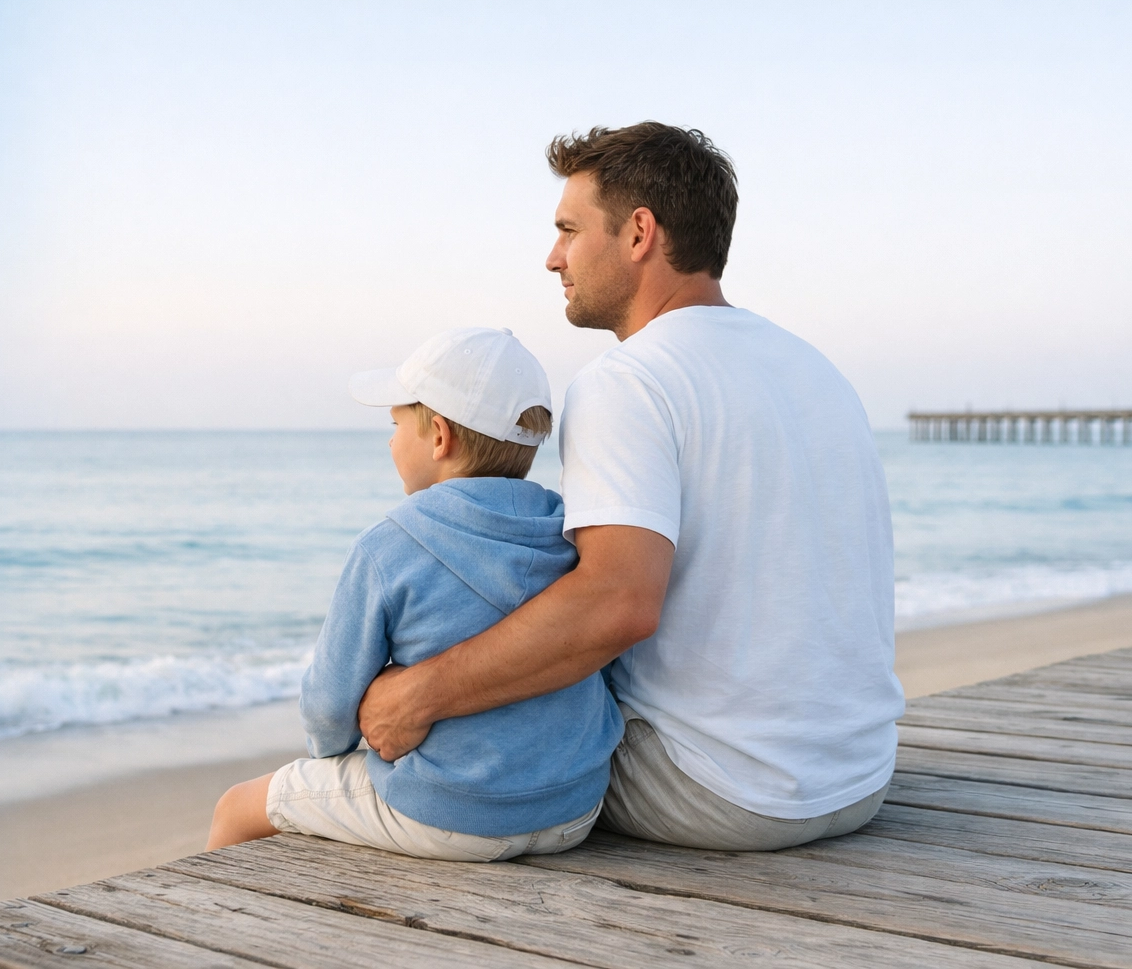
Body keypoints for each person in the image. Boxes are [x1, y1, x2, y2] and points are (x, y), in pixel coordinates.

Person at [357, 123, 907, 851]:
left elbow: (616, 604)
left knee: (449, 766)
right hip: (857, 776)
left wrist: (414, 696)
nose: (553, 257)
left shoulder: (630, 382)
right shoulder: (813, 370)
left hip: (719, 788)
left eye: (568, 230)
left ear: (639, 232)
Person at [206, 327, 622, 860]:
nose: (389, 440)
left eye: (396, 423)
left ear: (440, 437)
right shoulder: (572, 532)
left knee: (236, 807)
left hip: (453, 813)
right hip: (574, 808)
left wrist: (326, 756)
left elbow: (329, 708)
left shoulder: (389, 545)